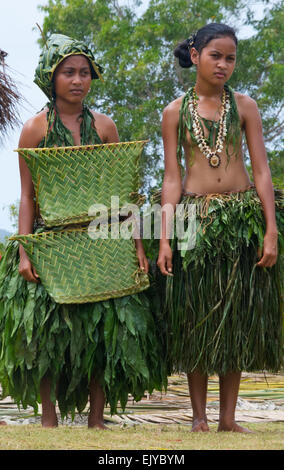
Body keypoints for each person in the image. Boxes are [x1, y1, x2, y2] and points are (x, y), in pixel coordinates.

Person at [0, 34, 166, 428]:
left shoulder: (104, 126)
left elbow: (123, 195)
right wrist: (25, 251)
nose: (78, 80)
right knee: (46, 333)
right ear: (51, 77)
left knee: (102, 335)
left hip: (102, 239)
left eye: (85, 73)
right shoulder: (34, 130)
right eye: (69, 72)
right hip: (51, 240)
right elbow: (27, 197)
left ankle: (96, 418)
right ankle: (49, 418)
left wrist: (136, 247)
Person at [157, 23, 283, 433]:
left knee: (236, 316)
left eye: (230, 58)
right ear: (195, 57)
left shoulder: (245, 106)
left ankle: (228, 418)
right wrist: (165, 238)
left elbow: (262, 170)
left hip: (240, 217)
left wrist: (270, 229)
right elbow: (172, 177)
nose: (224, 64)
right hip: (195, 219)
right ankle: (198, 418)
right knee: (196, 315)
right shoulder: (175, 111)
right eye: (216, 56)